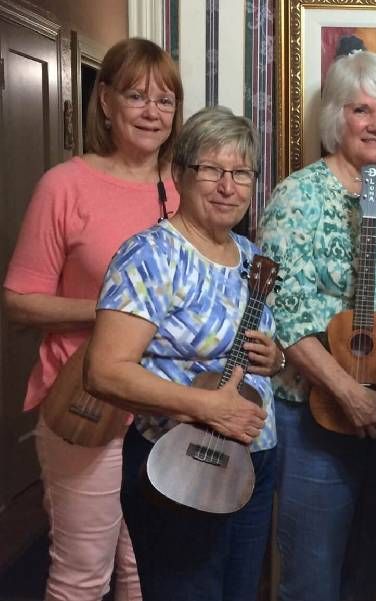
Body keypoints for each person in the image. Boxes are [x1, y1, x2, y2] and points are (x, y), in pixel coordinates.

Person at [2, 37, 183, 601]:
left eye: (165, 100)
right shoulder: (64, 186)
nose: (152, 112)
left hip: (166, 410)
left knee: (141, 568)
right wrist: (115, 312)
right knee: (83, 574)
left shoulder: (183, 191)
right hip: (87, 405)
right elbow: (19, 301)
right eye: (136, 96)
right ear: (105, 102)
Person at [84, 106, 282, 601]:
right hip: (179, 461)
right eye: (211, 169)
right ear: (180, 173)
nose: (227, 185)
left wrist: (276, 359)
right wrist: (209, 406)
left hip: (254, 461)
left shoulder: (251, 258)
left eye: (240, 173)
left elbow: (265, 355)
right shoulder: (150, 254)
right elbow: (103, 372)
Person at [258, 50, 376, 601]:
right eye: (361, 110)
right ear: (336, 117)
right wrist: (346, 393)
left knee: (370, 567)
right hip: (314, 417)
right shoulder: (298, 196)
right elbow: (286, 311)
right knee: (312, 572)